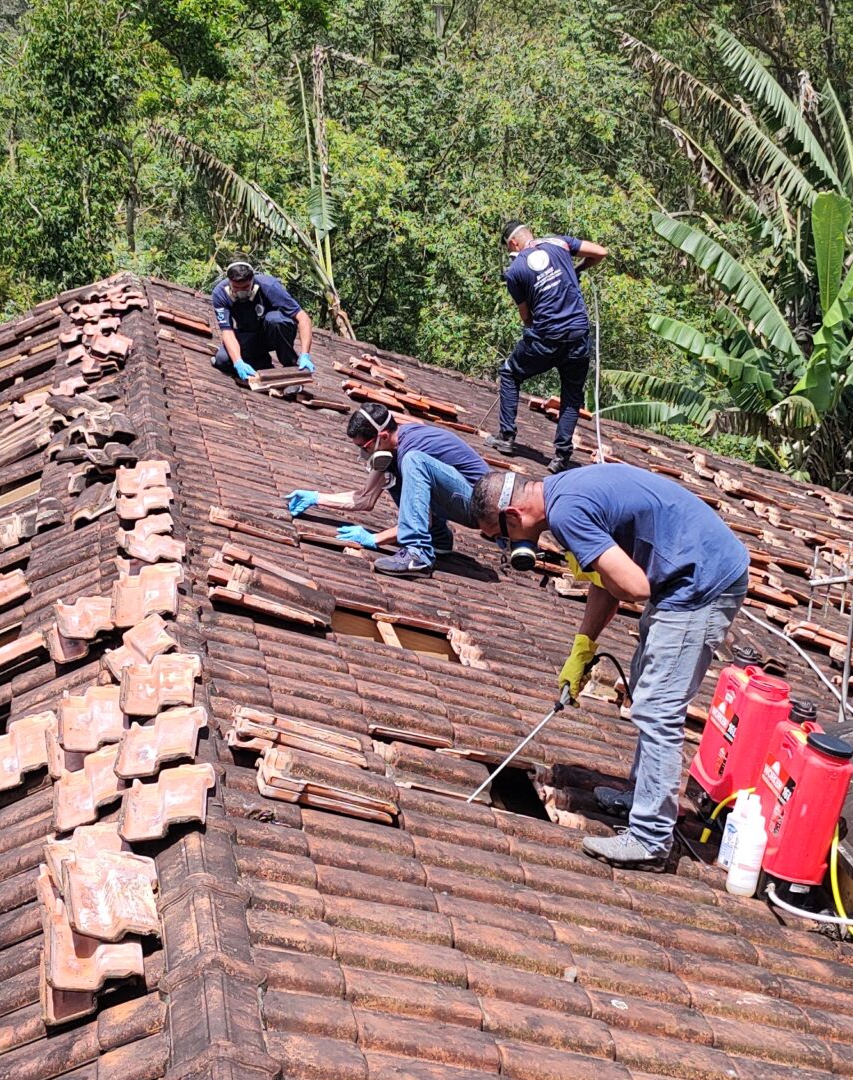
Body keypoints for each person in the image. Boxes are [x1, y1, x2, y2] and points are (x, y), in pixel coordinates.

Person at [476, 462, 748, 871]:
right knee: (646, 682)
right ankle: (643, 796)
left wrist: (590, 565)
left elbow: (635, 587)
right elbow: (605, 587)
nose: (509, 547)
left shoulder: (566, 514)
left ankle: (651, 838)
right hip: (686, 576)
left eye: (502, 537)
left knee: (658, 707)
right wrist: (582, 650)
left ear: (514, 515)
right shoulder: (560, 493)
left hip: (701, 584)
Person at [286, 404, 494, 576]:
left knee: (410, 466)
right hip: (461, 497)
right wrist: (315, 497)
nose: (363, 453)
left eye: (365, 447)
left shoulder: (409, 453)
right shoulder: (393, 444)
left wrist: (375, 539)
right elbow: (365, 498)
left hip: (482, 507)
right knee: (394, 475)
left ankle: (418, 553)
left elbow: (423, 518)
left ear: (383, 436)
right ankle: (439, 537)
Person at [495, 223, 607, 473]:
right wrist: (577, 269)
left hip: (546, 338)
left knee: (510, 374)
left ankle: (506, 437)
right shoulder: (560, 243)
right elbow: (600, 252)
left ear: (513, 244)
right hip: (577, 335)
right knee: (571, 395)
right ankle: (560, 457)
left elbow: (526, 317)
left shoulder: (515, 271)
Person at [211, 260, 314, 383]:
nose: (241, 292)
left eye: (245, 287)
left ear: (253, 281)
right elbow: (227, 332)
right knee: (223, 359)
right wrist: (238, 361)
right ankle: (263, 366)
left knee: (276, 320)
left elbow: (303, 318)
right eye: (236, 288)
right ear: (229, 282)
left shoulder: (269, 286)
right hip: (250, 335)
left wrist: (305, 354)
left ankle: (291, 367)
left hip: (273, 333)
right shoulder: (220, 294)